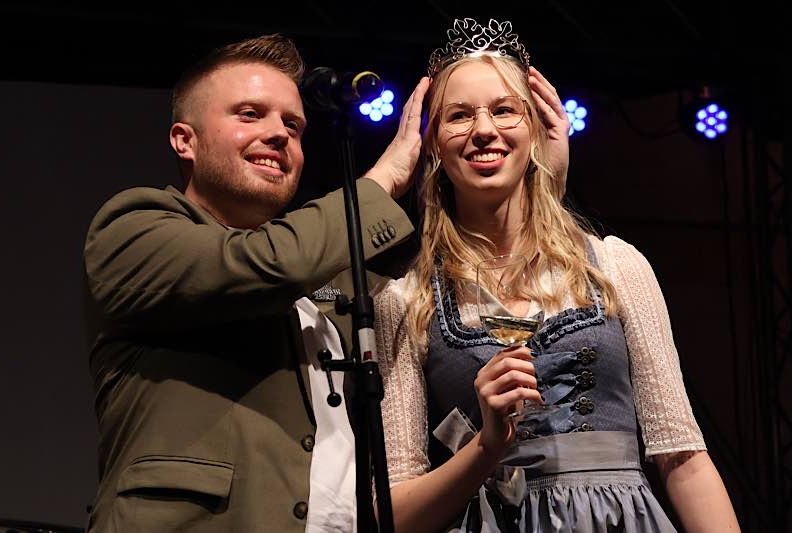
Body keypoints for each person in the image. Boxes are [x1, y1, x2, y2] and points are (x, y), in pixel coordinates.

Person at [373, 18, 740, 532]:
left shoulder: (615, 265)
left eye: (504, 110)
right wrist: (485, 447)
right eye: (459, 115)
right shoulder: (406, 298)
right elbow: (393, 511)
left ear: (538, 128)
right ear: (432, 141)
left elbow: (683, 459)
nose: (484, 130)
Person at [83, 34, 429, 532]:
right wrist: (384, 180)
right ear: (185, 139)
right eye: (250, 114)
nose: (279, 134)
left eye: (293, 124)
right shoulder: (130, 229)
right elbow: (265, 265)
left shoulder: (327, 273)